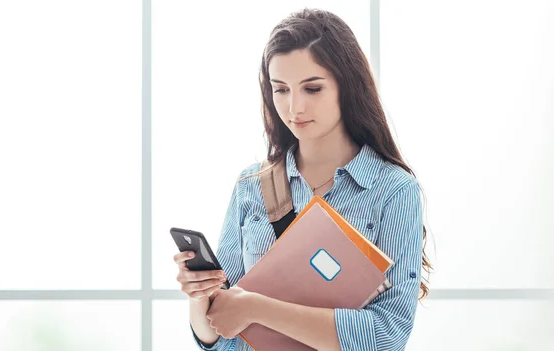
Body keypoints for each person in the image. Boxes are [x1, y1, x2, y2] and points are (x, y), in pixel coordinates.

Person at [173, 8, 433, 351]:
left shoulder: (393, 191)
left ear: (347, 86)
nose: (294, 107)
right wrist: (200, 297)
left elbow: (387, 336)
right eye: (280, 89)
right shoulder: (252, 184)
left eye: (312, 89)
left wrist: (257, 307)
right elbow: (221, 340)